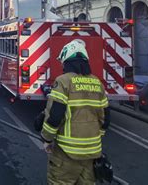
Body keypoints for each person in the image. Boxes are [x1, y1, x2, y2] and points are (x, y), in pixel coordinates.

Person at [41, 39, 110, 185]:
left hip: (66, 153)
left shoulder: (63, 81)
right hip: (92, 153)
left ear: (66, 61)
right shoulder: (97, 83)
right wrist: (95, 137)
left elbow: (55, 116)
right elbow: (105, 118)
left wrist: (47, 139)